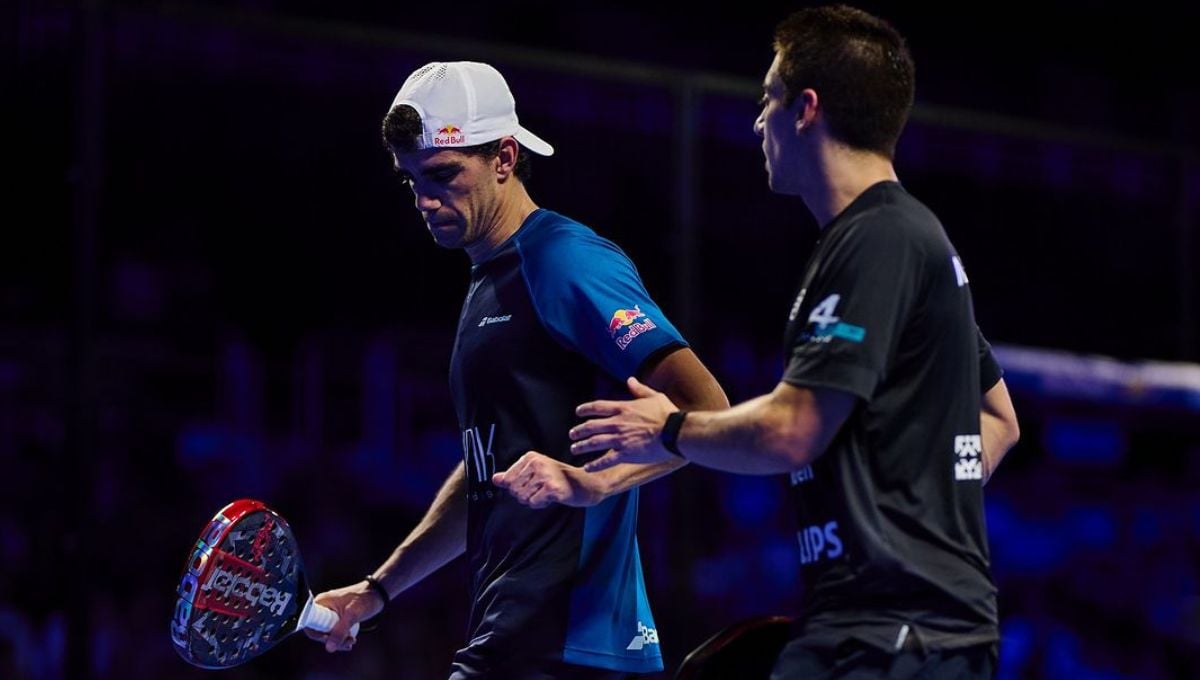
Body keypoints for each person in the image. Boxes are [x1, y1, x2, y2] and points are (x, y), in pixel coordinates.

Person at [567, 6, 1020, 678]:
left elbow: (791, 430)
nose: (758, 121)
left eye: (768, 99)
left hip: (890, 637)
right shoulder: (907, 239)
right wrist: (913, 496)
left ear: (806, 109)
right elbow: (999, 421)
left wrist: (670, 428)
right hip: (903, 629)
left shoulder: (879, 241)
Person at [306, 61, 728, 679]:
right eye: (411, 182)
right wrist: (377, 590)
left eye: (444, 176)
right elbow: (489, 474)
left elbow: (709, 411)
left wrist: (596, 484)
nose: (425, 200)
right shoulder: (490, 281)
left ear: (504, 156)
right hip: (522, 639)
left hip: (565, 645)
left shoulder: (563, 259)